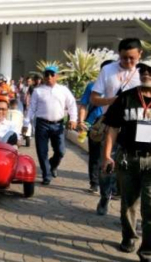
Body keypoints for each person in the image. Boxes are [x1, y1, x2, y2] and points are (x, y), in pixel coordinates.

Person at [101, 58, 151, 262]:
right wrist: (106, 155)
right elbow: (112, 128)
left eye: (150, 70)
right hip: (127, 157)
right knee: (129, 203)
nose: (146, 73)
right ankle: (129, 237)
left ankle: (147, 252)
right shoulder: (126, 98)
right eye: (143, 70)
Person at [91, 38, 143, 215]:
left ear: (140, 55)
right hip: (111, 124)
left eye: (132, 58)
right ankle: (105, 195)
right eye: (124, 58)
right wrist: (112, 101)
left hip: (138, 127)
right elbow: (94, 98)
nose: (128, 62)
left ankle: (131, 204)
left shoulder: (144, 72)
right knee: (106, 163)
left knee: (137, 165)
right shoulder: (108, 70)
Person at [25, 65, 78, 185]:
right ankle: (46, 174)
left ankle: (52, 166)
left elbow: (72, 105)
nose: (49, 77)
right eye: (46, 74)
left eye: (52, 74)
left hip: (58, 125)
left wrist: (73, 119)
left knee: (60, 151)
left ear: (57, 76)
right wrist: (26, 123)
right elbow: (31, 108)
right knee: (42, 151)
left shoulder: (63, 90)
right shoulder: (38, 91)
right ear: (43, 76)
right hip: (42, 124)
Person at [78, 60, 116, 195]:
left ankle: (113, 186)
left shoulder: (121, 86)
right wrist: (81, 121)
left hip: (114, 124)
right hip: (95, 125)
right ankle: (94, 183)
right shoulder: (92, 86)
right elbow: (83, 104)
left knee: (113, 154)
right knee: (95, 156)